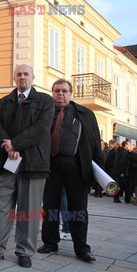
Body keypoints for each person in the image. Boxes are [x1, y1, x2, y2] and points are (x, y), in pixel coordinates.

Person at [0, 64, 54, 269]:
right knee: (1, 208)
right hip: (6, 163)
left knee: (29, 211)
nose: (22, 77)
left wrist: (15, 144)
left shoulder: (45, 101)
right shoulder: (5, 101)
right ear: (14, 78)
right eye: (19, 74)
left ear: (33, 77)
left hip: (33, 164)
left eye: (26, 74)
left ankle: (24, 252)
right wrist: (7, 144)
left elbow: (41, 129)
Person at [37, 79, 103, 263]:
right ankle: (50, 242)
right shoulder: (45, 113)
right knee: (49, 206)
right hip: (50, 165)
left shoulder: (86, 114)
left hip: (76, 166)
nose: (60, 94)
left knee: (78, 208)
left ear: (71, 93)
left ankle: (82, 248)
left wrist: (98, 174)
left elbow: (95, 144)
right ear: (52, 93)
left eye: (64, 91)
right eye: (57, 90)